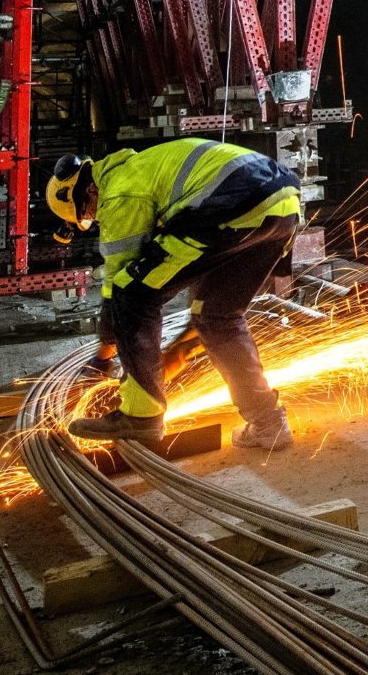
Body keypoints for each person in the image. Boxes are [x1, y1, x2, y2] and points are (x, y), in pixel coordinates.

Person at [44, 138, 303, 449]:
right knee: (216, 316)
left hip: (230, 205)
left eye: (86, 214)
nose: (95, 219)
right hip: (283, 204)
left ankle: (141, 417)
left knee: (132, 293)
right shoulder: (144, 169)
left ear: (87, 191)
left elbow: (119, 287)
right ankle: (268, 422)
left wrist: (103, 358)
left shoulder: (119, 189)